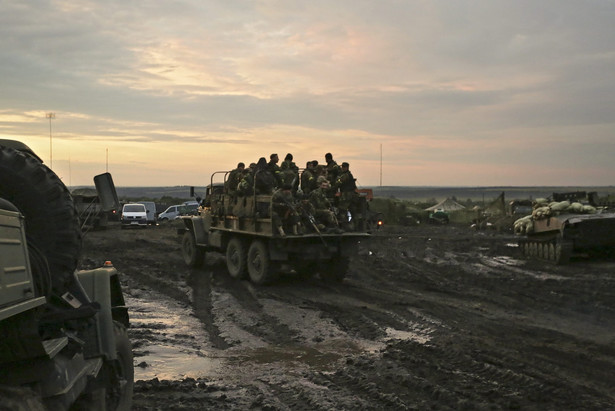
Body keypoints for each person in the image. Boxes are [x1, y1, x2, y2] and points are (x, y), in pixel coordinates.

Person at [335, 162, 360, 229]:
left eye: (344, 167)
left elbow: (338, 183)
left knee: (342, 210)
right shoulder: (349, 174)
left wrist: (337, 179)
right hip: (351, 195)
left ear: (346, 167)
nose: (342, 168)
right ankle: (356, 226)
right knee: (353, 210)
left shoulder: (345, 175)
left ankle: (344, 226)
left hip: (346, 196)